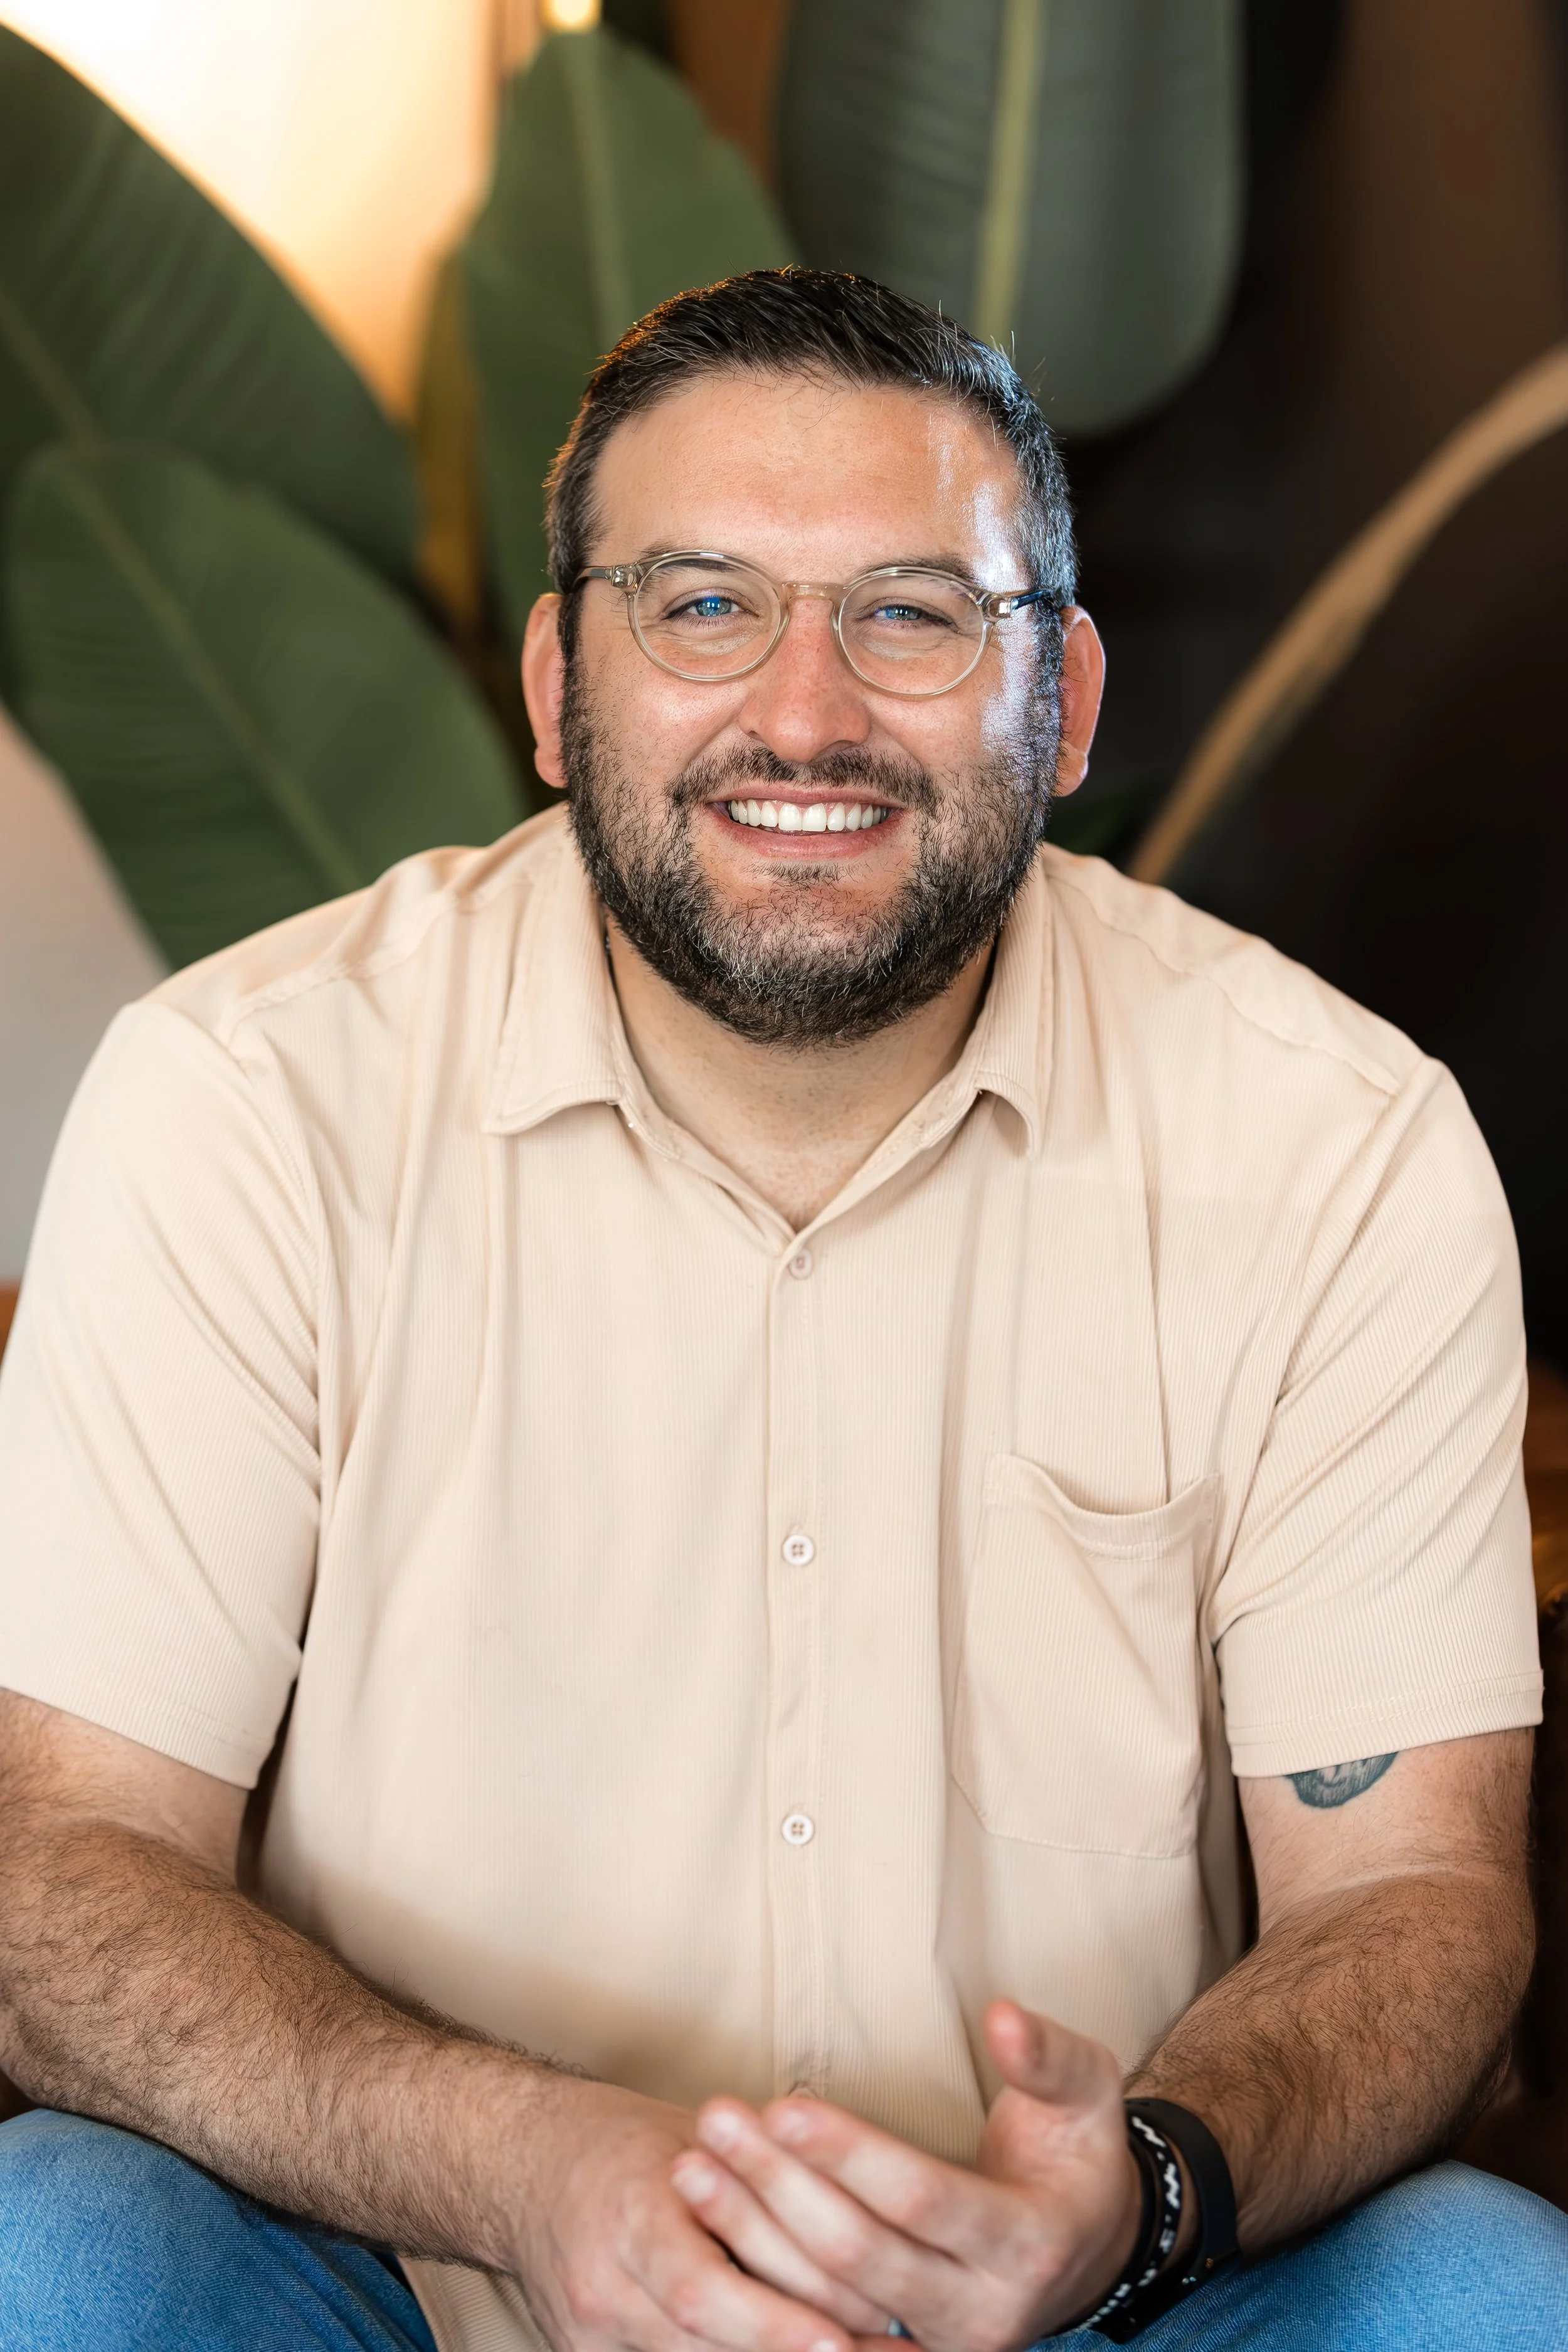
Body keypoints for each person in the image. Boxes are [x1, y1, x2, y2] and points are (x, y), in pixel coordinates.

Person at [0, 268, 1560, 2351]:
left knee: (1480, 2291)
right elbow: (62, 1864)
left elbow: (1414, 1899)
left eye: (914, 611)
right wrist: (522, 2164)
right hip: (408, 2288)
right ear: (561, 690)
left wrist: (1142, 2189)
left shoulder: (1336, 1145)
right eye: (703, 605)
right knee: (52, 2249)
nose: (806, 714)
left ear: (1066, 701)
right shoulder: (249, 1099)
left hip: (1091, 2306)